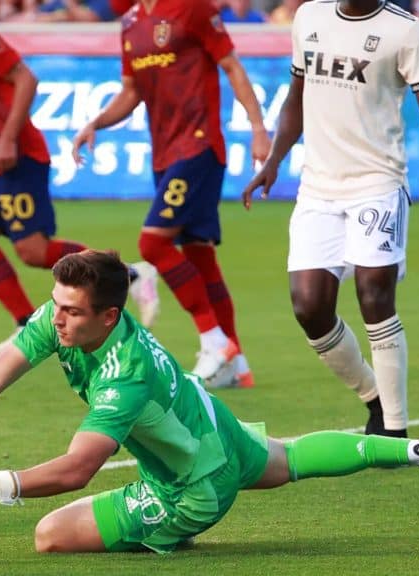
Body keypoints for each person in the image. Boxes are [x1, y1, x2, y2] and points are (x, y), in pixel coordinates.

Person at [0, 250, 419, 554]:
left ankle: (169, 530)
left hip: (191, 488)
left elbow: (76, 468)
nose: (54, 320)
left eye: (69, 312)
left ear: (109, 317)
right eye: (56, 305)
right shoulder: (65, 317)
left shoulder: (125, 378)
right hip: (216, 432)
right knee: (292, 459)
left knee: (49, 536)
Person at [241, 0, 419, 437]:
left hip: (377, 183)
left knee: (374, 295)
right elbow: (296, 98)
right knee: (309, 307)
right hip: (318, 189)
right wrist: (274, 160)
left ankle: (395, 432)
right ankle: (375, 398)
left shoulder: (407, 31)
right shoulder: (309, 17)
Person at [0, 0, 160, 353]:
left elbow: (26, 80)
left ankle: (131, 272)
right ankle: (24, 323)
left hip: (18, 154)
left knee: (33, 251)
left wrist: (8, 138)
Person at [72, 0, 270, 389]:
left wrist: (258, 127)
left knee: (152, 243)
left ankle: (214, 341)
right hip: (164, 153)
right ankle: (237, 363)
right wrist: (96, 122)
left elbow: (231, 65)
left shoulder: (193, 8)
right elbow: (131, 92)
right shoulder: (130, 22)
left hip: (198, 148)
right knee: (200, 257)